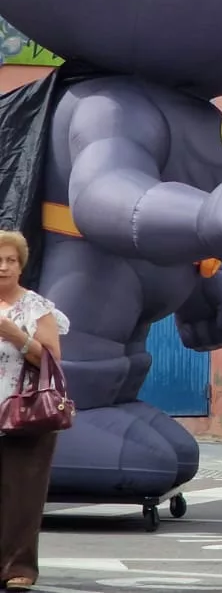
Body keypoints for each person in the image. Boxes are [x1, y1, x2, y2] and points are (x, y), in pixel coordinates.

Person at [0, 231, 67, 592]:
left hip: (24, 412)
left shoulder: (36, 307)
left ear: (21, 265)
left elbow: (51, 358)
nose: (3, 266)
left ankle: (19, 567)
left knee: (22, 495)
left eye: (10, 260)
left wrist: (15, 334)